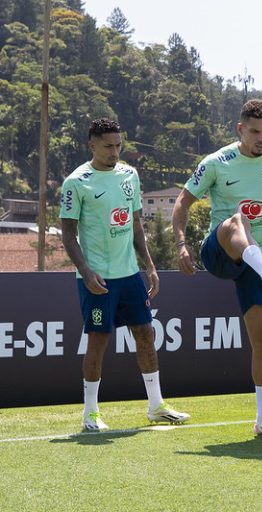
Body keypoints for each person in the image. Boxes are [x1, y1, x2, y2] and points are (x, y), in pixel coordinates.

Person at [172, 99, 262, 438]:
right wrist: (181, 245)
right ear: (240, 129)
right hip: (220, 250)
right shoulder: (216, 162)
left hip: (260, 258)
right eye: (255, 132)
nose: (261, 138)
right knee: (238, 219)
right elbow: (182, 203)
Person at [60, 118, 190, 432]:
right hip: (97, 278)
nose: (115, 151)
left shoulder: (129, 176)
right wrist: (86, 271)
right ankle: (90, 413)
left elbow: (135, 226)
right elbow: (67, 235)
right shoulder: (76, 182)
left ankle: (156, 406)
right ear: (92, 144)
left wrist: (150, 266)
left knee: (145, 334)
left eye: (119, 145)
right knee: (99, 339)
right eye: (108, 146)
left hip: (129, 274)